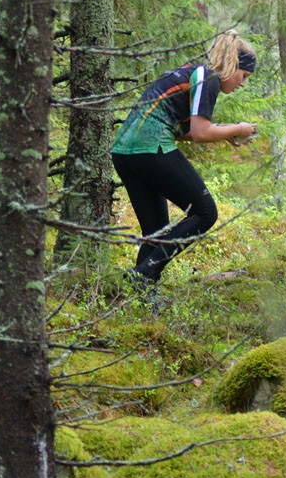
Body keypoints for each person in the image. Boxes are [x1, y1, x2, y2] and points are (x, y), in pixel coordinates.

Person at [111, 30, 260, 291]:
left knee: (156, 231)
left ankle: (140, 296)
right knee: (205, 212)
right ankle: (142, 274)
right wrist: (237, 128)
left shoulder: (193, 74)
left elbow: (188, 131)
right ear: (233, 65)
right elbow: (202, 133)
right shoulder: (208, 76)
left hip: (124, 152)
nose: (243, 83)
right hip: (150, 146)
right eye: (244, 76)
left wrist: (226, 135)